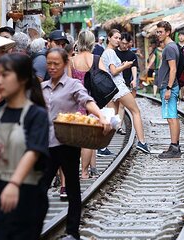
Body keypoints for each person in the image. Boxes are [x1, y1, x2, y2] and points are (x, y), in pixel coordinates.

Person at [0, 53, 49, 239]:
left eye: (5, 75)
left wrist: (14, 183)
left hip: (24, 195)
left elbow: (34, 151)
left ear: (22, 79)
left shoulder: (36, 115)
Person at [40, 48, 110, 240]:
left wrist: (101, 116)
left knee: (72, 188)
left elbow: (87, 101)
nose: (52, 67)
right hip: (46, 144)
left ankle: (73, 232)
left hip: (67, 143)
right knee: (39, 189)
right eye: (49, 63)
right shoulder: (42, 87)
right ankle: (33, 227)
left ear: (65, 64)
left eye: (56, 63)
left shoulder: (72, 85)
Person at [100, 29, 150, 154]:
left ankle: (102, 146)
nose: (118, 40)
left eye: (119, 38)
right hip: (118, 87)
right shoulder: (110, 52)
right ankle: (142, 142)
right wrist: (125, 66)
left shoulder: (105, 52)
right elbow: (114, 71)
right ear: (109, 38)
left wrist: (121, 66)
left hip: (111, 88)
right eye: (115, 38)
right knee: (136, 112)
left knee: (112, 117)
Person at [67, 30, 100, 179]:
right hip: (92, 101)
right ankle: (85, 172)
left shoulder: (72, 60)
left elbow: (68, 82)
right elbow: (105, 79)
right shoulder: (96, 58)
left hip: (76, 101)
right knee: (88, 138)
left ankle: (73, 169)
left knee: (75, 138)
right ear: (92, 43)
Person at [155, 21, 181, 159]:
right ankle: (174, 146)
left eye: (161, 32)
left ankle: (174, 148)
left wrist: (169, 88)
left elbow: (173, 69)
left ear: (168, 32)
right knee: (173, 116)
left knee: (171, 118)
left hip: (168, 86)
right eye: (157, 32)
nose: (158, 34)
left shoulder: (169, 48)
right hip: (168, 85)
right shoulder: (172, 46)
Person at [115, 32, 139, 137]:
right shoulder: (113, 53)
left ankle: (119, 126)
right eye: (123, 43)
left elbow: (134, 67)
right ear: (119, 41)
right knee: (114, 105)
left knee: (122, 105)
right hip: (114, 82)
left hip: (125, 83)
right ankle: (114, 124)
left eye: (126, 43)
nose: (124, 45)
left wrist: (134, 79)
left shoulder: (131, 55)